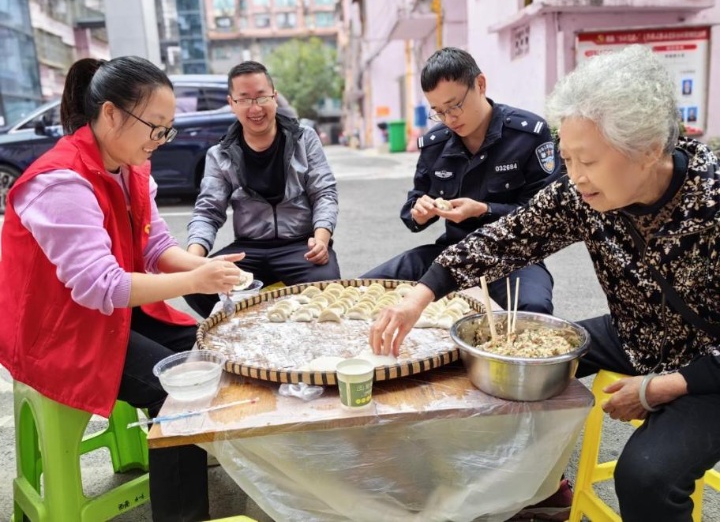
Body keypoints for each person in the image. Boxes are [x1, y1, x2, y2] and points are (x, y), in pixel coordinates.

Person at [370, 45, 720, 522]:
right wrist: (423, 292)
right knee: (512, 356)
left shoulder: (712, 203)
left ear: (649, 150)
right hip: (638, 330)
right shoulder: (580, 194)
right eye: (568, 159)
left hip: (708, 365)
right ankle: (534, 486)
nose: (574, 178)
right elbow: (508, 237)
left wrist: (662, 387)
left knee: (645, 475)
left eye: (588, 162)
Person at [0, 56, 246, 521]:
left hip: (106, 313)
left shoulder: (131, 167)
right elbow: (99, 286)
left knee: (212, 348)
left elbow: (154, 248)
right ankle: (182, 510)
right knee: (178, 389)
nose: (160, 140)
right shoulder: (61, 181)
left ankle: (184, 451)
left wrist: (203, 265)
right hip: (55, 331)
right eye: (154, 126)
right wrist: (195, 280)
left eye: (167, 129)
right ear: (110, 113)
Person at [362, 47, 559, 314]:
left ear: (480, 84)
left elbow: (548, 213)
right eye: (438, 111)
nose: (449, 119)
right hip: (452, 253)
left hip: (514, 255)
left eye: (455, 105)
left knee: (531, 308)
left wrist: (485, 210)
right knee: (367, 287)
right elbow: (413, 205)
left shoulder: (528, 134)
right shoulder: (436, 144)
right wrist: (420, 213)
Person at [184, 61, 340, 317]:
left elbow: (324, 193)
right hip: (249, 248)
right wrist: (194, 262)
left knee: (326, 285)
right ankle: (246, 332)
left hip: (300, 245)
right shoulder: (220, 154)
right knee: (195, 286)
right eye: (244, 99)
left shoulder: (304, 138)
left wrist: (321, 240)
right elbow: (207, 212)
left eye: (261, 97)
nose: (255, 108)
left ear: (275, 97)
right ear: (232, 103)